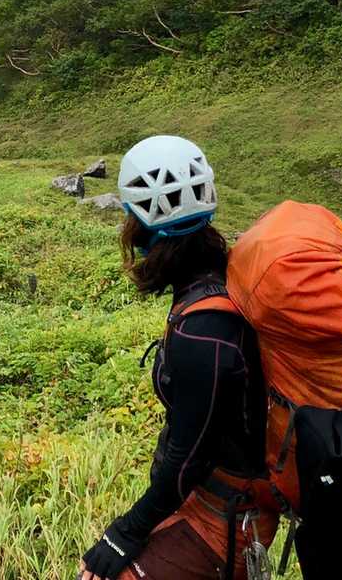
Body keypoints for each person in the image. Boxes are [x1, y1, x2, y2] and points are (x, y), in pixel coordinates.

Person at [78, 135, 278, 580]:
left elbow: (188, 458)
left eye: (128, 216)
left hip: (225, 515)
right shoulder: (225, 273)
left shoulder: (203, 330)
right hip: (218, 498)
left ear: (142, 223)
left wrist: (123, 534)